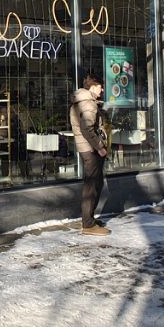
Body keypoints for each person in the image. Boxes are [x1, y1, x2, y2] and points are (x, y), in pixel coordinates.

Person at [70, 74, 110, 237]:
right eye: (100, 87)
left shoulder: (80, 101)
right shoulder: (88, 103)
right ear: (93, 87)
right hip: (91, 150)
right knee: (92, 186)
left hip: (86, 148)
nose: (102, 90)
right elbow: (87, 129)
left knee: (93, 184)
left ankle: (89, 219)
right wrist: (100, 147)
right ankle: (88, 224)